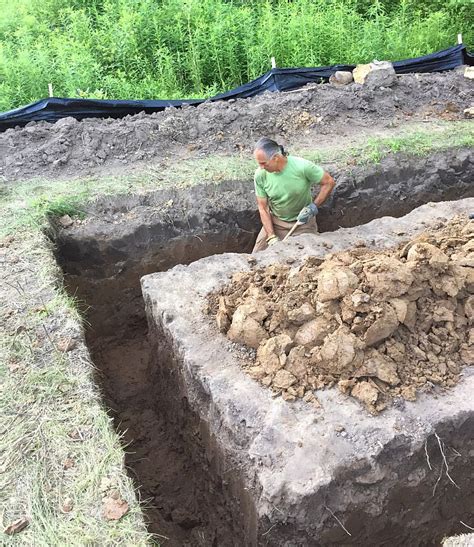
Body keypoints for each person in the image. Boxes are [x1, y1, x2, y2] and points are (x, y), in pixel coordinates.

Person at [252, 137, 336, 252]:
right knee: (257, 259)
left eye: (263, 163)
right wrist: (271, 237)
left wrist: (313, 207)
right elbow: (263, 208)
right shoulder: (260, 175)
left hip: (302, 223)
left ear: (275, 158)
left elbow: (329, 182)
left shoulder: (302, 167)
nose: (261, 167)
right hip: (276, 224)